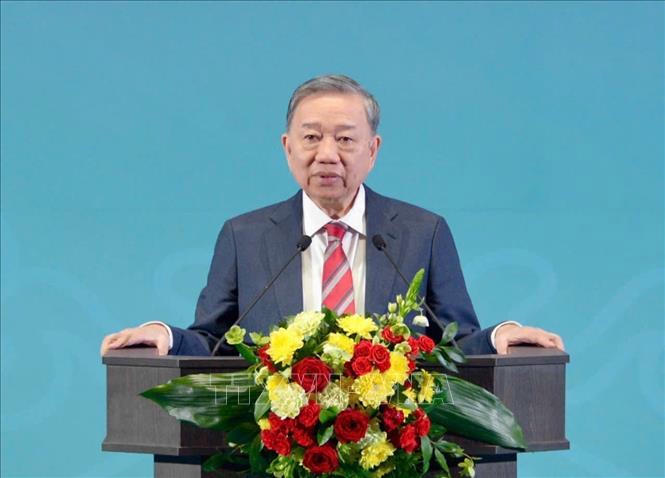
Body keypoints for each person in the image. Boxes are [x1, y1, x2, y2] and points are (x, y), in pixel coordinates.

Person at [100, 74, 564, 357]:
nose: (326, 154)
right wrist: (162, 335)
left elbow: (456, 343)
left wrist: (504, 335)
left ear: (372, 150)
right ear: (287, 148)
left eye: (344, 139)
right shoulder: (244, 236)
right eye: (311, 138)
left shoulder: (424, 232)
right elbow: (213, 342)